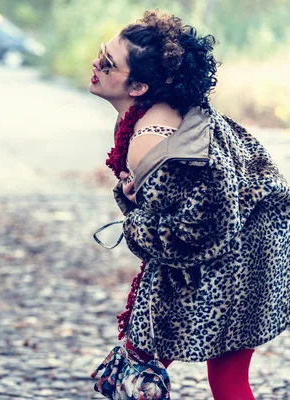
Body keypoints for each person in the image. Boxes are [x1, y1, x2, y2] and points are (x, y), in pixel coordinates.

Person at [88, 10, 290, 400]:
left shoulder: (153, 141)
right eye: (101, 52)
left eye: (109, 63)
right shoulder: (161, 115)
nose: (96, 64)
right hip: (249, 253)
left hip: (235, 266)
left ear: (139, 87)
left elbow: (201, 227)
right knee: (216, 381)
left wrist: (136, 227)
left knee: (136, 375)